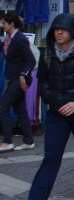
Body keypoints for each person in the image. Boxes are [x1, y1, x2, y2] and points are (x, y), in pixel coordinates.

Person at [29, 13, 74, 200]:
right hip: (57, 113)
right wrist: (53, 100)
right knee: (51, 158)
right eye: (56, 29)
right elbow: (43, 81)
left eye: (63, 29)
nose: (59, 33)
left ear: (73, 32)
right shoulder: (47, 54)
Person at [0, 13, 36, 152]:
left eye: (4, 23)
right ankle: (28, 140)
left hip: (18, 79)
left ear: (11, 24)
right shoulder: (9, 39)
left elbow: (31, 60)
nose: (2, 25)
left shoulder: (20, 39)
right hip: (12, 78)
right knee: (20, 110)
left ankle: (7, 141)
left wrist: (23, 74)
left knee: (3, 107)